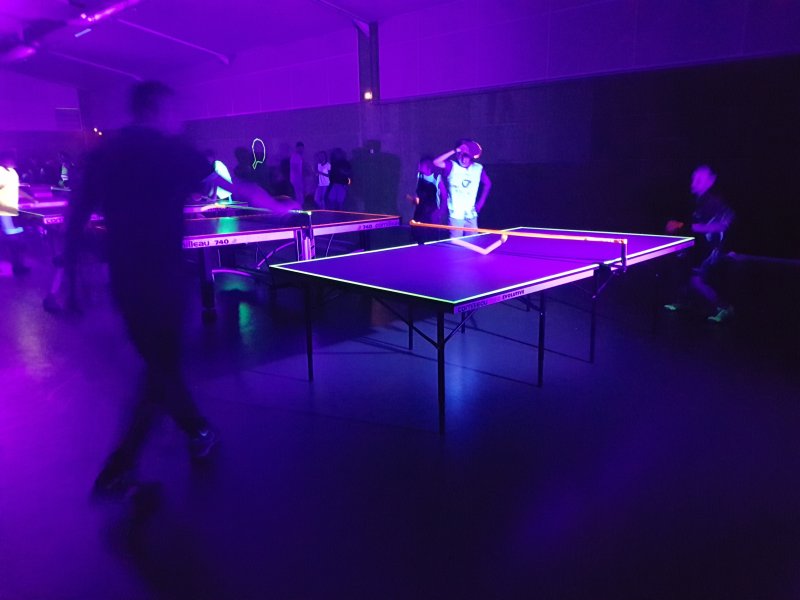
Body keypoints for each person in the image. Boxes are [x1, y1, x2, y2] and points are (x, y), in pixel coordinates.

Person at [65, 81, 225, 497]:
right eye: (174, 109)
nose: (180, 118)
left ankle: (193, 431)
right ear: (155, 108)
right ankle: (126, 462)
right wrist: (278, 206)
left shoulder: (104, 153)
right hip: (166, 278)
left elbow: (75, 215)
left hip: (125, 279)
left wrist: (68, 278)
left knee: (160, 365)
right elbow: (228, 186)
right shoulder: (173, 150)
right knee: (162, 368)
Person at [665, 165, 735, 323]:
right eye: (693, 179)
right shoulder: (698, 200)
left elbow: (724, 224)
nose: (693, 183)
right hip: (699, 246)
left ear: (711, 181)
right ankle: (684, 301)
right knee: (682, 271)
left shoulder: (714, 201)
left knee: (696, 280)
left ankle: (725, 308)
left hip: (711, 249)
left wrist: (683, 226)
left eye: (699, 180)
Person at [433, 139, 492, 237]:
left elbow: (488, 184)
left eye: (466, 157)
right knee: (456, 243)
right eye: (461, 156)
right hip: (456, 215)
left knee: (473, 241)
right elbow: (436, 162)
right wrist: (455, 150)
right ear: (457, 155)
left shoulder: (478, 168)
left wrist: (481, 202)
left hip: (471, 214)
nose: (464, 160)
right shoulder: (452, 166)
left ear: (470, 157)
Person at [0, 149, 29, 275]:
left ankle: (19, 265)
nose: (14, 161)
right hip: (4, 211)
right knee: (13, 239)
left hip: (14, 209)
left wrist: (30, 198)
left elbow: (16, 189)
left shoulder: (13, 172)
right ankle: (17, 267)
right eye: (11, 158)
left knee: (17, 239)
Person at [409, 156, 447, 244]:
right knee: (418, 236)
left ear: (428, 166)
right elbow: (418, 194)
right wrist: (415, 200)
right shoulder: (419, 176)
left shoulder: (437, 178)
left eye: (421, 165)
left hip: (432, 212)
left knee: (431, 238)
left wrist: (440, 212)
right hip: (420, 211)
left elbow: (445, 196)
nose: (419, 166)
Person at [289, 141, 305, 206]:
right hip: (296, 178)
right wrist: (300, 177)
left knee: (299, 193)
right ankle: (298, 207)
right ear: (296, 148)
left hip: (297, 178)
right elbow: (295, 167)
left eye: (302, 148)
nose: (301, 150)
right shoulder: (295, 156)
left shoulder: (298, 156)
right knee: (298, 193)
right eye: (300, 148)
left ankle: (299, 207)